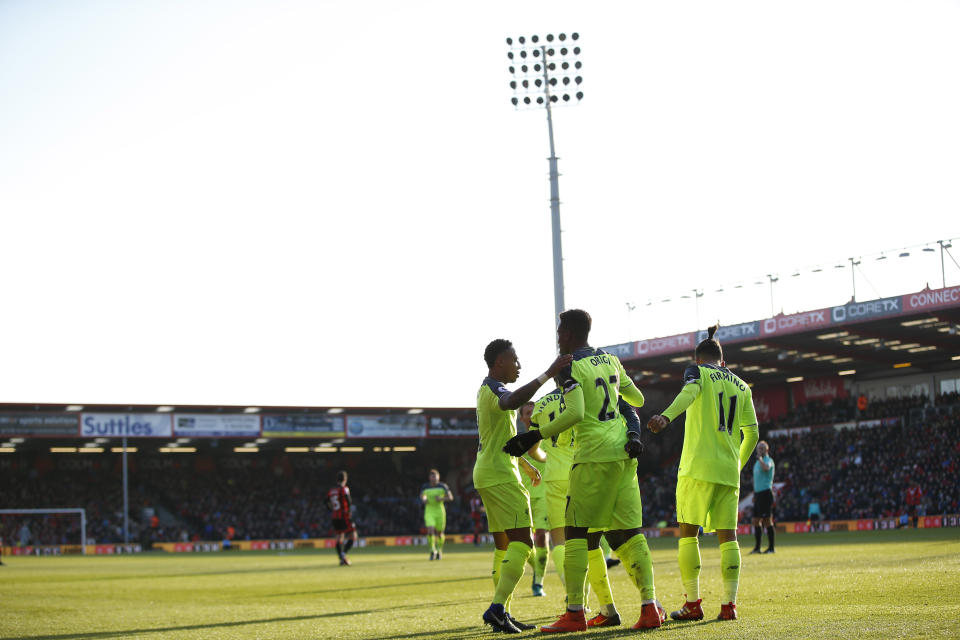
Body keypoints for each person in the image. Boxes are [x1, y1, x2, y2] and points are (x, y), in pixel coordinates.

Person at [504, 309, 663, 632]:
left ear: (572, 334)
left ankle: (575, 613)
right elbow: (637, 397)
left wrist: (534, 435)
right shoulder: (611, 360)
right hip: (623, 455)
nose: (558, 336)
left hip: (593, 455)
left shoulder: (568, 365)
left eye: (560, 331)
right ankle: (649, 607)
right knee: (630, 534)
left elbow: (575, 412)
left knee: (576, 532)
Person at [647, 324, 759, 622]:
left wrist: (666, 416)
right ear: (723, 361)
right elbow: (753, 434)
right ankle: (729, 606)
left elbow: (689, 392)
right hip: (728, 472)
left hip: (697, 468)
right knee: (729, 538)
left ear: (698, 359)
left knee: (687, 534)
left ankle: (693, 604)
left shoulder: (697, 373)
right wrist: (737, 465)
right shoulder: (742, 385)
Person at [475, 338, 572, 634]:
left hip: (489, 471)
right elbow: (511, 401)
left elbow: (498, 439)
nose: (519, 365)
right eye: (515, 360)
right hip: (501, 477)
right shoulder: (495, 389)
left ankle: (503, 611)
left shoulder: (484, 389)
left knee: (504, 547)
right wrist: (547, 373)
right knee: (523, 543)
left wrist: (525, 464)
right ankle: (496, 608)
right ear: (500, 362)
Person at [530, 386, 628, 628]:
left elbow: (532, 448)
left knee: (562, 541)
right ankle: (605, 606)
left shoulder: (541, 405)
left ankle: (574, 603)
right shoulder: (583, 398)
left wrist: (546, 458)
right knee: (591, 542)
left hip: (555, 477)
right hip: (583, 471)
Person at [518, 401, 550, 596]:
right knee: (524, 543)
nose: (531, 415)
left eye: (534, 411)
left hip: (545, 495)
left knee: (541, 536)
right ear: (521, 418)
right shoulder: (517, 442)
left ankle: (538, 581)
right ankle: (536, 567)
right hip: (523, 496)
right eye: (527, 412)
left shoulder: (549, 436)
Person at [420, 469, 453, 560]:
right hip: (429, 511)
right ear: (429, 478)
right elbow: (422, 496)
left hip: (440, 512)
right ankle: (432, 550)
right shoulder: (425, 487)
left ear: (438, 477)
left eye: (435, 476)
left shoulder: (443, 486)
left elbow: (450, 497)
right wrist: (424, 499)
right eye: (432, 476)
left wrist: (442, 499)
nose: (434, 478)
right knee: (430, 530)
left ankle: (439, 550)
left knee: (440, 533)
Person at [326, 471, 358, 566]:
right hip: (344, 515)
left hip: (335, 516)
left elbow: (325, 501)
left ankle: (342, 559)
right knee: (353, 536)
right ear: (345, 479)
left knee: (339, 538)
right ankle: (343, 555)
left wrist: (331, 509)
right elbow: (348, 500)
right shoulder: (344, 489)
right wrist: (348, 511)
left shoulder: (331, 491)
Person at [751, 441, 776, 554]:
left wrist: (760, 459)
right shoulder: (756, 463)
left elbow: (766, 468)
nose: (759, 450)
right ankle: (757, 548)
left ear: (767, 450)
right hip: (758, 494)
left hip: (766, 493)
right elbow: (757, 480)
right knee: (755, 520)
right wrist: (754, 494)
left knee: (767, 520)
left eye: (762, 448)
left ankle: (771, 548)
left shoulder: (767, 460)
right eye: (758, 448)